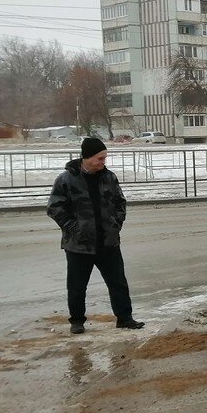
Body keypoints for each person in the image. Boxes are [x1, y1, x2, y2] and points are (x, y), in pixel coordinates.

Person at [46, 137, 144, 334]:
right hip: (79, 245)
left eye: (105, 158)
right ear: (87, 157)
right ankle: (77, 321)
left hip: (108, 242)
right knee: (77, 286)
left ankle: (125, 318)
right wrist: (73, 227)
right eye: (100, 158)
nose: (103, 162)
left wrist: (116, 224)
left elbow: (120, 203)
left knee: (118, 283)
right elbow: (54, 207)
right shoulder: (66, 179)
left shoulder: (109, 178)